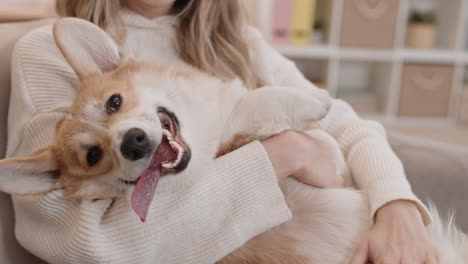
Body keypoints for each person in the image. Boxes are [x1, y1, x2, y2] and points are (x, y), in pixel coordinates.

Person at [6, 0, 437, 263]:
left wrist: (396, 205)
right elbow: (92, 248)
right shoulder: (51, 52)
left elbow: (343, 122)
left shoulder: (235, 42)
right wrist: (282, 155)